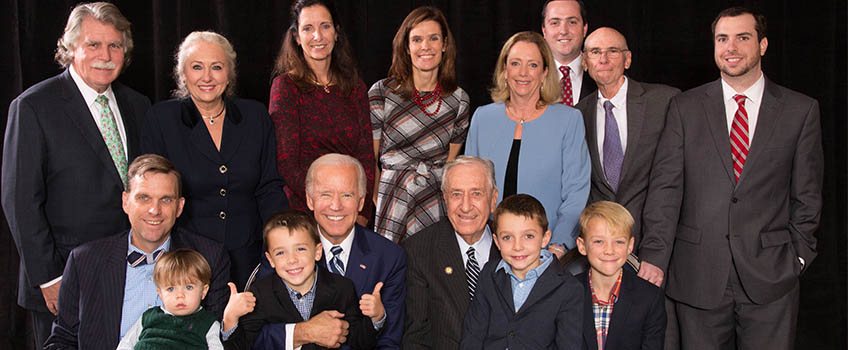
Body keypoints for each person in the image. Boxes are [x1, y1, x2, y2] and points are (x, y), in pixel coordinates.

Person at [638, 7, 823, 349]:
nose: (731, 47)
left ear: (763, 45)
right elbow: (666, 190)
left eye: (742, 37)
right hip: (697, 274)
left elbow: (807, 195)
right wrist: (655, 257)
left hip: (771, 276)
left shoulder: (800, 110)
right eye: (722, 39)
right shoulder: (685, 107)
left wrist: (797, 256)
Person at [1, 2, 150, 346]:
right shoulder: (34, 106)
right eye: (93, 45)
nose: (105, 55)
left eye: (114, 45)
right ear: (71, 49)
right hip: (64, 276)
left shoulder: (137, 105)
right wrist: (48, 276)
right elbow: (20, 199)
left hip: (129, 272)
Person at [141, 31, 288, 288]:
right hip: (186, 260)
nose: (207, 77)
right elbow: (152, 192)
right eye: (197, 67)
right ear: (183, 74)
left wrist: (282, 244)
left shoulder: (255, 116)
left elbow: (269, 188)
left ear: (229, 73)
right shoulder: (161, 119)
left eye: (216, 67)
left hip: (248, 256)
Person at [44, 154, 230, 350]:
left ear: (179, 207)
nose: (154, 210)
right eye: (144, 198)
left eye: (165, 199)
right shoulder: (85, 260)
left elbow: (219, 336)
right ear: (126, 201)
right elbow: (62, 341)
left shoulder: (210, 257)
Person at [252, 154, 407, 349]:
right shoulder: (283, 248)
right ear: (310, 200)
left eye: (346, 195)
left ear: (360, 202)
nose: (336, 206)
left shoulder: (389, 257)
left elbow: (390, 340)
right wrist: (304, 332)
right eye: (326, 194)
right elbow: (255, 334)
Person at [466, 31, 590, 255]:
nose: (523, 73)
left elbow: (576, 193)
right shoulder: (482, 118)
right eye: (515, 63)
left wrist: (558, 245)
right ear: (504, 70)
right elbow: (471, 187)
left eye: (532, 65)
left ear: (544, 73)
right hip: (489, 247)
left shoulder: (568, 120)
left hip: (547, 250)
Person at [369, 6, 470, 243]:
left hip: (434, 202)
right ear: (407, 46)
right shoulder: (381, 92)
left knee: (432, 273)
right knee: (391, 273)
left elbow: (449, 166)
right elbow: (369, 160)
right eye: (417, 39)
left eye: (433, 38)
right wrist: (381, 200)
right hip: (392, 198)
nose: (425, 46)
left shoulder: (459, 100)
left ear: (445, 44)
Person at [575, 27, 680, 255]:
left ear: (627, 59)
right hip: (601, 248)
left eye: (612, 51)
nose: (603, 59)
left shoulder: (665, 102)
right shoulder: (577, 115)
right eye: (595, 52)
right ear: (584, 61)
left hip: (655, 241)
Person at [270, 0, 376, 224]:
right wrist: (326, 204)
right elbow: (288, 165)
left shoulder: (355, 87)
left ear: (336, 33)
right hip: (306, 211)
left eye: (325, 26)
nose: (318, 36)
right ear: (297, 37)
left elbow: (366, 157)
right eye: (308, 28)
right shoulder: (285, 87)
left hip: (352, 211)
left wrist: (361, 211)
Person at [221, 210, 379, 350]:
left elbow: (359, 341)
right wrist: (230, 318)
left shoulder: (342, 287)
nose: (292, 260)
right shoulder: (260, 293)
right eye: (281, 253)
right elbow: (246, 345)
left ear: (317, 252)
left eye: (301, 249)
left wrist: (376, 317)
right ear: (270, 260)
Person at [402, 156, 501, 350]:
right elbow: (415, 338)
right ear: (445, 198)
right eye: (456, 194)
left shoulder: (514, 250)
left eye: (476, 194)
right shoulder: (418, 251)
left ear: (493, 199)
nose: (465, 206)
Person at [460, 194, 582, 349]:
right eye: (507, 238)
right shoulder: (489, 274)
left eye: (528, 236)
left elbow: (568, 346)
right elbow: (473, 335)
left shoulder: (569, 288)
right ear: (497, 242)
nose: (518, 246)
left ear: (545, 238)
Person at [574, 201, 665, 350]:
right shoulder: (565, 292)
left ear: (630, 246)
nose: (609, 250)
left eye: (619, 242)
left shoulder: (650, 297)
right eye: (599, 241)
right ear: (582, 246)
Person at [117, 248, 225, 349]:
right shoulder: (148, 317)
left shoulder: (208, 323)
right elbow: (125, 345)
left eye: (188, 287)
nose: (180, 295)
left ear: (203, 291)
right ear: (160, 293)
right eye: (170, 289)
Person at [541, 0, 595, 106]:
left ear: (584, 29)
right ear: (544, 31)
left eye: (572, 22)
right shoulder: (530, 76)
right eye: (555, 23)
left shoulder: (602, 72)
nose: (564, 31)